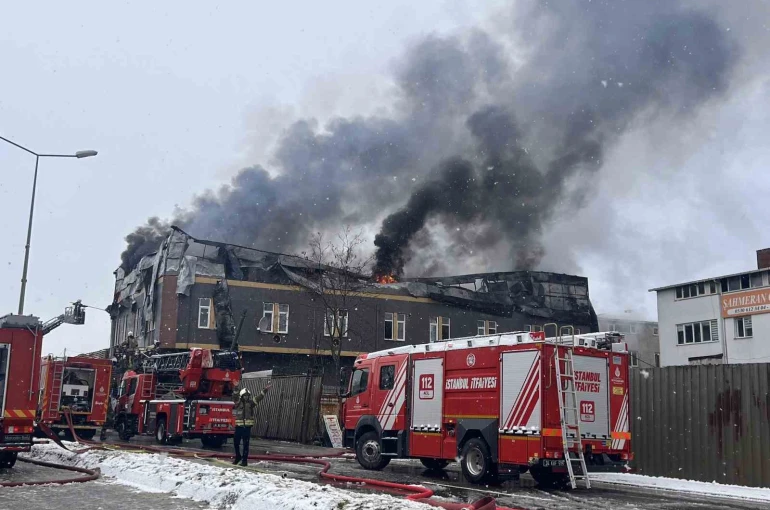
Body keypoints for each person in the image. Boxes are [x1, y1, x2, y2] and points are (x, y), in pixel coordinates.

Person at [233, 383, 271, 466]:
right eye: (244, 395)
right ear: (242, 396)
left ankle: (244, 461)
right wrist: (236, 387)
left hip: (247, 428)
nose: (246, 397)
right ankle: (238, 457)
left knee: (246, 445)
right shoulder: (238, 403)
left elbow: (259, 397)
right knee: (236, 443)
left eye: (247, 395)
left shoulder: (251, 403)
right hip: (238, 427)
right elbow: (235, 396)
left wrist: (265, 390)